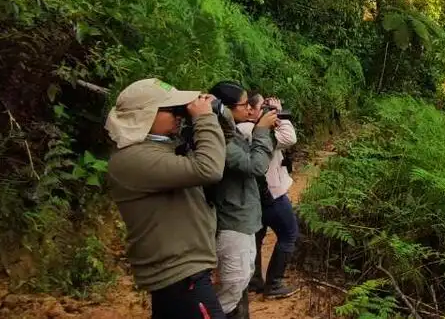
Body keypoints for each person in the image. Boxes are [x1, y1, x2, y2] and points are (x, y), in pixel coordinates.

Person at [105, 78, 226, 319]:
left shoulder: (160, 148)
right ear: (145, 115)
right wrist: (204, 119)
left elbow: (220, 151)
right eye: (173, 110)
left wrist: (218, 117)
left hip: (182, 271)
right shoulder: (133, 159)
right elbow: (210, 168)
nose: (180, 115)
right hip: (179, 274)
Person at [209, 81, 277, 319]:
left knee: (241, 279)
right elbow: (255, 165)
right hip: (231, 221)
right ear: (225, 109)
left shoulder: (232, 132)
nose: (249, 108)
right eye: (244, 104)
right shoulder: (217, 138)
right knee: (231, 286)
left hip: (243, 219)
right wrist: (261, 131)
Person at [240, 94, 300, 299]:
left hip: (255, 195)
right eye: (263, 106)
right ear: (250, 110)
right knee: (289, 234)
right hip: (271, 194)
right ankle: (274, 284)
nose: (267, 111)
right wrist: (279, 114)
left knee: (257, 237)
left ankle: (254, 280)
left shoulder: (240, 129)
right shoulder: (251, 130)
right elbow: (289, 138)